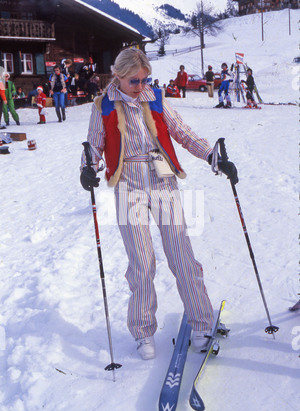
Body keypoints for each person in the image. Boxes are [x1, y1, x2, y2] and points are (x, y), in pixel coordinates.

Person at [80, 48, 238, 360]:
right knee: (141, 262)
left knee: (181, 254)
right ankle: (142, 331)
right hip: (127, 182)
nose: (140, 85)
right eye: (134, 80)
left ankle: (202, 323)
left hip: (162, 176)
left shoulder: (154, 98)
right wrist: (88, 167)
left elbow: (183, 132)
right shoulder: (103, 105)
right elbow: (94, 146)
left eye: (145, 79)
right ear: (119, 77)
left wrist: (213, 156)